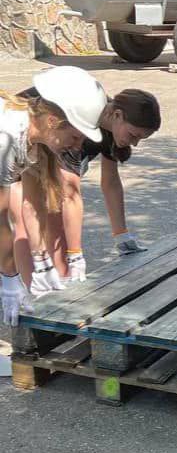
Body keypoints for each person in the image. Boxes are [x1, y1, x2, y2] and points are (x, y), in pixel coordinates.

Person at [12, 88, 161, 284]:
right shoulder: (80, 123)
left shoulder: (109, 128)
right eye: (134, 135)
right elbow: (69, 194)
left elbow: (110, 182)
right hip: (24, 140)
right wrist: (75, 255)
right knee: (30, 219)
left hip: (44, 151)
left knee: (50, 217)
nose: (135, 144)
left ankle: (52, 285)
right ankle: (34, 291)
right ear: (117, 115)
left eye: (140, 139)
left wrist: (121, 235)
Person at [0, 66, 107, 324]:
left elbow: (33, 204)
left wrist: (41, 261)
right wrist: (9, 278)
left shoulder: (35, 142)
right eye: (75, 136)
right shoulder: (7, 138)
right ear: (52, 121)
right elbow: (1, 216)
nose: (78, 146)